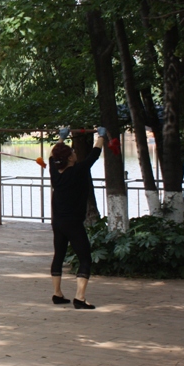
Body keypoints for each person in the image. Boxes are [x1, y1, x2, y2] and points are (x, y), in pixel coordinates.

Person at [48, 127, 105, 310]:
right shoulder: (78, 170)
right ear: (70, 158)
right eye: (72, 152)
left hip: (58, 222)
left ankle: (57, 294)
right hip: (73, 223)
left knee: (59, 254)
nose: (74, 153)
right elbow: (94, 155)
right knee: (85, 259)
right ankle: (79, 298)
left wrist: (61, 139)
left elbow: (52, 155)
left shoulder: (55, 173)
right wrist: (101, 136)